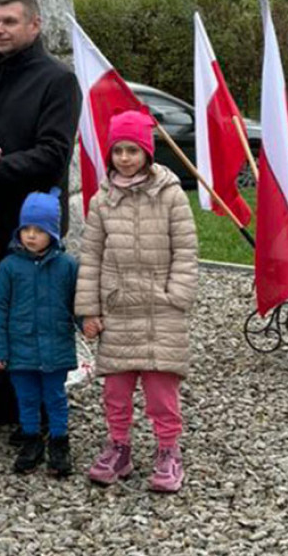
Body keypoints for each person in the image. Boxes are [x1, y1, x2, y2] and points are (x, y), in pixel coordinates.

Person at [0, 0, 79, 435]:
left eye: (10, 21)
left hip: (33, 222)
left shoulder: (57, 80)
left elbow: (53, 154)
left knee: (36, 317)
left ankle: (44, 407)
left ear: (35, 25)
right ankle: (6, 399)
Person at [75, 110, 198, 493]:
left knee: (162, 389)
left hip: (162, 308)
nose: (125, 158)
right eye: (118, 151)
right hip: (118, 307)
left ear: (147, 152)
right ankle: (119, 446)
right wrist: (89, 310)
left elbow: (186, 250)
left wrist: (176, 295)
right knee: (116, 389)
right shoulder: (102, 201)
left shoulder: (171, 194)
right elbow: (91, 255)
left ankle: (167, 450)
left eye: (132, 150)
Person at [0, 188, 78, 477]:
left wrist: (87, 321)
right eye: (26, 228)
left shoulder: (68, 266)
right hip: (20, 348)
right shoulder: (9, 267)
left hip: (56, 346)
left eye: (39, 229)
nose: (31, 235)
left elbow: (78, 301)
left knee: (55, 397)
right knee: (25, 398)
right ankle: (30, 440)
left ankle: (60, 443)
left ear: (52, 232)